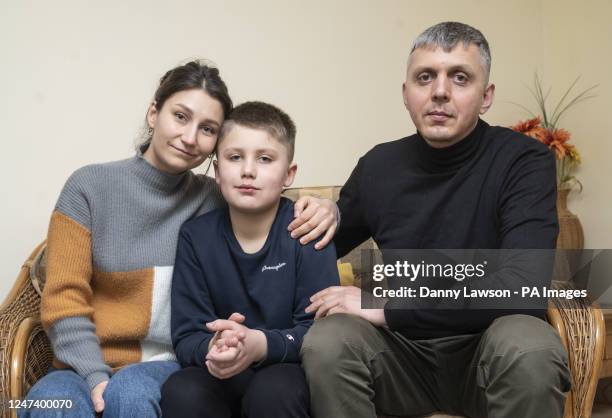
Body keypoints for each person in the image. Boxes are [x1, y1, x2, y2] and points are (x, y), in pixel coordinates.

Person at [22, 61, 338, 418]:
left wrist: (327, 208)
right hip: (80, 365)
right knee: (48, 404)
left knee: (131, 395)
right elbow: (64, 299)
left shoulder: (214, 197)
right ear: (154, 113)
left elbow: (266, 200)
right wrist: (95, 376)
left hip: (164, 363)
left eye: (207, 129)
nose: (190, 138)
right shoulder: (88, 188)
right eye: (181, 117)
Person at [301, 22, 572, 418]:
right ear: (406, 94)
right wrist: (324, 212)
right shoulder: (379, 165)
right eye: (424, 77)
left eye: (460, 77)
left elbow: (521, 286)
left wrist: (389, 306)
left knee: (529, 345)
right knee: (329, 340)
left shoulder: (523, 161)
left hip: (491, 352)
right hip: (400, 358)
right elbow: (311, 255)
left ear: (486, 96)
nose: (440, 91)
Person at [160, 101, 340, 418]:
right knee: (182, 390)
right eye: (234, 157)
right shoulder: (195, 237)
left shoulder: (309, 229)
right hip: (220, 371)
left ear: (289, 174)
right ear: (217, 171)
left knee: (273, 391)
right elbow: (187, 336)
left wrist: (260, 345)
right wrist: (215, 346)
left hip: (286, 369)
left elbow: (320, 332)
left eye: (265, 159)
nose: (248, 170)